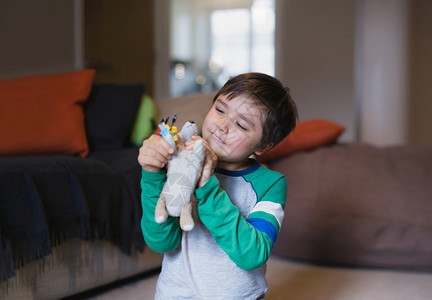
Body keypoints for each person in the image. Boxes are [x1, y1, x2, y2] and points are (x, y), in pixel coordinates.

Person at [138, 72, 298, 299]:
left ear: (263, 145)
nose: (222, 125)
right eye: (220, 110)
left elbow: (252, 254)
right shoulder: (177, 163)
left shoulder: (270, 184)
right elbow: (161, 242)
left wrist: (207, 186)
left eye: (241, 125)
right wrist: (152, 174)